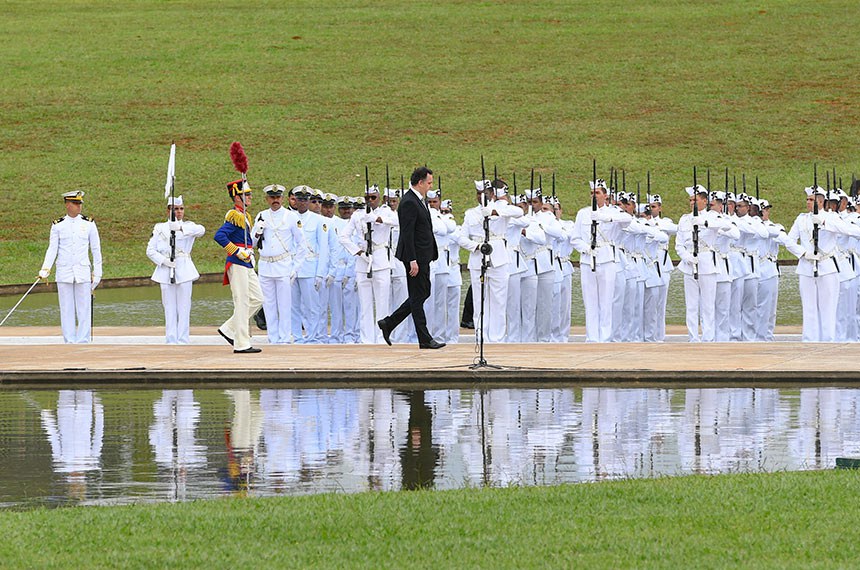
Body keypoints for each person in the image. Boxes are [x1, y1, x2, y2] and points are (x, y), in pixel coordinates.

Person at [377, 166, 445, 349]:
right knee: (417, 296)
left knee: (422, 293)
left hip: (424, 256)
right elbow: (406, 233)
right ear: (420, 182)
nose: (430, 186)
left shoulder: (418, 200)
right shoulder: (409, 201)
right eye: (429, 183)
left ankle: (389, 322)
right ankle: (424, 338)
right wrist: (412, 260)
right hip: (415, 258)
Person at [38, 190, 103, 344]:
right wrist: (45, 269)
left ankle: (83, 340)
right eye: (75, 203)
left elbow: (96, 249)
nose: (79, 206)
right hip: (64, 270)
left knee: (84, 308)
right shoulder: (58, 225)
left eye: (80, 203)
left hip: (82, 271)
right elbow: (52, 249)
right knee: (66, 309)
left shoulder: (89, 223)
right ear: (67, 205)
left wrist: (98, 272)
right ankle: (69, 340)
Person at [339, 184, 398, 343]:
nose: (370, 201)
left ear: (379, 198)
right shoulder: (358, 215)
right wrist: (358, 252)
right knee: (364, 304)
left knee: (382, 303)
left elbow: (398, 222)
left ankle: (381, 337)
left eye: (373, 197)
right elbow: (343, 237)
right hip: (363, 260)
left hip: (380, 259)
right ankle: (366, 339)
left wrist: (378, 219)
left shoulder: (386, 211)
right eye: (367, 198)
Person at [146, 195, 205, 344]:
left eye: (181, 209)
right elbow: (150, 250)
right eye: (175, 209)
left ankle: (183, 339)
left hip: (184, 268)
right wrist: (164, 261)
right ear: (168, 211)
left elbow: (201, 230)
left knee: (184, 307)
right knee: (169, 307)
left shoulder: (189, 226)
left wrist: (179, 227)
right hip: (166, 270)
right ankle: (171, 339)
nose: (179, 212)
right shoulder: (159, 228)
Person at [251, 184, 307, 345]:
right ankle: (272, 337)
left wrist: (295, 268)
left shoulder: (291, 217)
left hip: (283, 265)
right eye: (272, 197)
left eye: (278, 197)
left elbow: (302, 245)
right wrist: (257, 231)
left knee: (284, 305)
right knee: (268, 304)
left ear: (282, 198)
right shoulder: (261, 216)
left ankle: (284, 338)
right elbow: (253, 243)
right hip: (265, 265)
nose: (275, 200)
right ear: (267, 199)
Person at [214, 178, 263, 353]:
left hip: (247, 262)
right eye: (246, 194)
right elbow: (219, 236)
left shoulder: (244, 216)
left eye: (249, 194)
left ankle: (228, 328)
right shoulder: (234, 215)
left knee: (258, 298)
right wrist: (236, 251)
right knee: (242, 301)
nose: (250, 197)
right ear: (236, 197)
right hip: (238, 262)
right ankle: (242, 343)